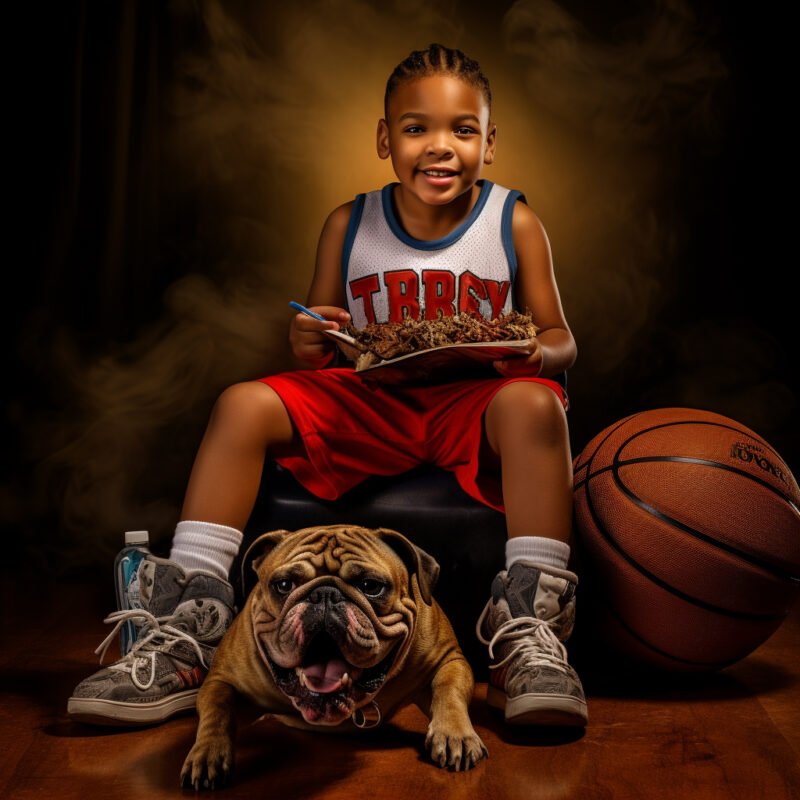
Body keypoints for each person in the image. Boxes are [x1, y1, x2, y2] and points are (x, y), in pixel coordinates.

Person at [68, 43, 587, 730]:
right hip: (371, 404)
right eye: (416, 128)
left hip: (472, 402)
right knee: (242, 403)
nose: (440, 147)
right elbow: (316, 339)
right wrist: (311, 340)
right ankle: (186, 629)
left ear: (488, 144)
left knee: (534, 403)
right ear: (384, 138)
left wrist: (528, 348)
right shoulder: (350, 224)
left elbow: (562, 339)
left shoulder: (512, 221)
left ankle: (529, 632)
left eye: (462, 130)